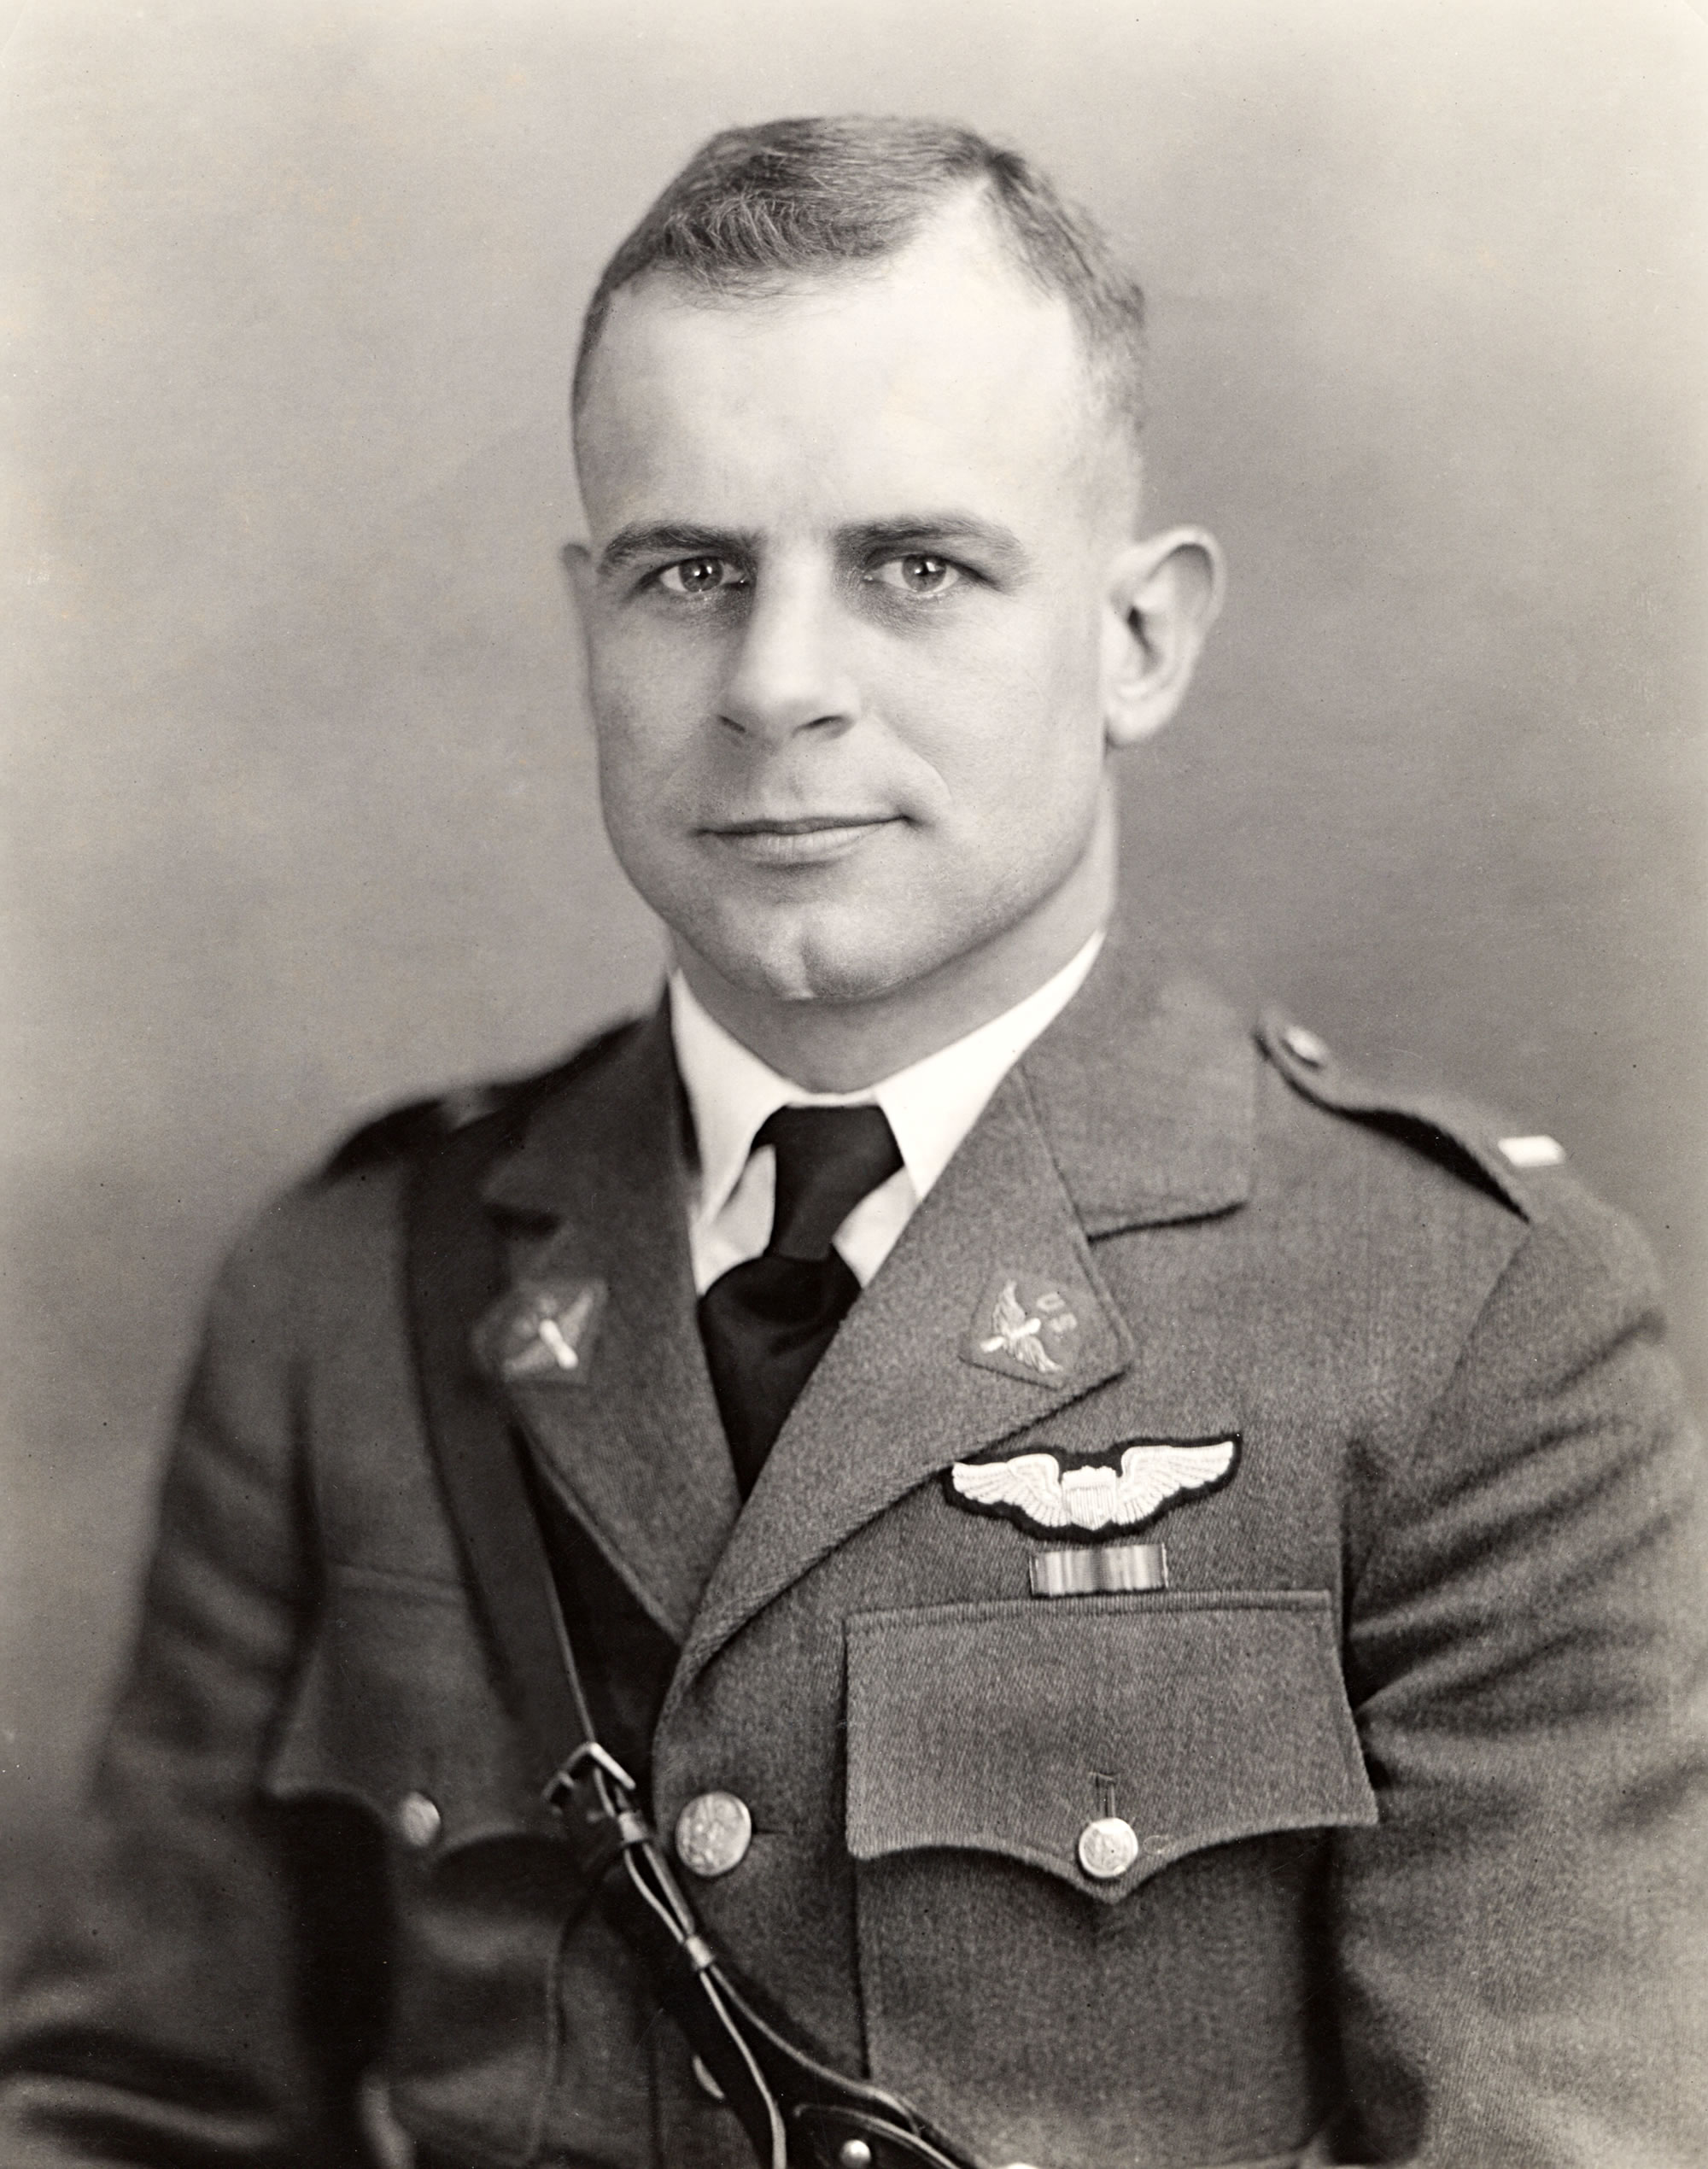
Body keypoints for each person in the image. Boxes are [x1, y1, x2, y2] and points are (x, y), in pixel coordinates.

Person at [3, 114, 1704, 2169]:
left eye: (916, 568)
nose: (776, 686)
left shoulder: (1461, 1318)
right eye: (690, 573)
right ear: (588, 624)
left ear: (1137, 639)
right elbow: (136, 2106)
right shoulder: (351, 1288)